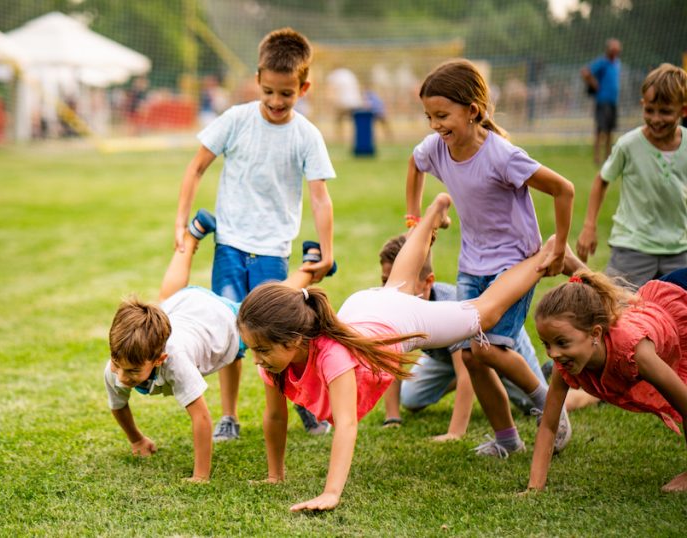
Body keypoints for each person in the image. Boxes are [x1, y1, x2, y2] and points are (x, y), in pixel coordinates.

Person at [238, 193, 561, 512]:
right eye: (253, 349)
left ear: (294, 339)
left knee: (484, 313)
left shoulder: (331, 356)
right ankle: (435, 210)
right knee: (399, 283)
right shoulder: (273, 363)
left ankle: (541, 258)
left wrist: (331, 493)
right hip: (365, 309)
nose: (257, 359)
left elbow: (347, 424)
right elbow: (275, 417)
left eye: (262, 349)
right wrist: (274, 476)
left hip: (395, 322)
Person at [405, 59, 576, 458]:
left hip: (515, 263)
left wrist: (560, 248)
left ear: (473, 111)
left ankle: (549, 406)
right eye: (429, 116)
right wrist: (415, 217)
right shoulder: (437, 148)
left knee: (485, 349)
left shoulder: (502, 155)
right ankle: (507, 440)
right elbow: (414, 164)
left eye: (442, 115)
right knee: (470, 355)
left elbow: (564, 189)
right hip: (472, 266)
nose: (434, 125)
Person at [174, 28, 337, 440]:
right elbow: (195, 168)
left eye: (287, 93)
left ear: (304, 86)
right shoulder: (235, 120)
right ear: (258, 78)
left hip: (272, 251)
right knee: (230, 331)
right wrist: (180, 222)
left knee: (279, 334)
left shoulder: (306, 135)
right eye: (268, 91)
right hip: (229, 246)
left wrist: (328, 250)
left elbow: (320, 198)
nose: (276, 102)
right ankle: (229, 416)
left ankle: (296, 402)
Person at [104, 210, 321, 481]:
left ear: (159, 359)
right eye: (118, 366)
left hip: (220, 319)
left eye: (133, 372)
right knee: (161, 301)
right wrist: (136, 440)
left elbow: (201, 417)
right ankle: (193, 233)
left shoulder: (176, 359)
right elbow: (118, 404)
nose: (122, 377)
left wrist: (200, 476)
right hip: (183, 307)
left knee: (265, 312)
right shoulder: (119, 360)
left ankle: (311, 266)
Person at [527, 267, 687, 494]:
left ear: (595, 334)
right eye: (547, 344)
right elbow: (549, 425)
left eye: (562, 342)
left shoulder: (635, 353)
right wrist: (534, 488)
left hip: (681, 298)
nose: (553, 354)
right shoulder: (564, 364)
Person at [377, 234, 546, 440]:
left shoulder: (450, 307)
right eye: (386, 281)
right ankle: (482, 379)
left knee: (533, 405)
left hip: (497, 346)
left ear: (428, 282)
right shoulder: (393, 306)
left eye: (402, 283)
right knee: (411, 398)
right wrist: (392, 418)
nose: (391, 290)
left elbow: (467, 369)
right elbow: (392, 360)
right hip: (449, 360)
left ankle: (585, 395)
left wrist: (455, 432)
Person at [576, 63, 687, 289]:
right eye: (649, 110)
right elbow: (602, 179)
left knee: (679, 313)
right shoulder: (629, 144)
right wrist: (589, 226)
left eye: (665, 111)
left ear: (683, 111)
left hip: (679, 249)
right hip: (632, 247)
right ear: (642, 105)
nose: (656, 119)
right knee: (616, 309)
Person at [581, 38, 622, 165]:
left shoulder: (617, 63)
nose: (615, 51)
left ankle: (608, 157)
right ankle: (597, 157)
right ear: (608, 50)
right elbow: (585, 72)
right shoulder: (602, 62)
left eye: (617, 49)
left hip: (613, 101)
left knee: (610, 130)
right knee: (600, 130)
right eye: (613, 49)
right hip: (602, 100)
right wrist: (594, 84)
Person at [326, 66, 364, 145]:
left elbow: (332, 90)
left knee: (338, 121)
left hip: (343, 102)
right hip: (355, 101)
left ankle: (340, 139)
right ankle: (354, 140)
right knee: (354, 123)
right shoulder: (349, 73)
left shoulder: (334, 75)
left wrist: (331, 101)